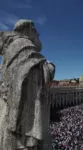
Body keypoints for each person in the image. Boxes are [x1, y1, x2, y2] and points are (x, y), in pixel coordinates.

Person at [0, 19, 55, 150]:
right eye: (36, 32)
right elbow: (35, 74)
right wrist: (50, 68)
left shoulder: (13, 48)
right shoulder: (23, 47)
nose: (39, 36)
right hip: (22, 122)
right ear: (29, 31)